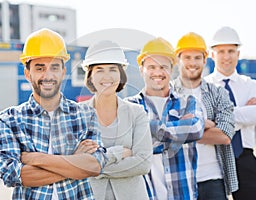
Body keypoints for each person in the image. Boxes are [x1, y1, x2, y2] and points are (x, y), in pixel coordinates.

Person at [0, 28, 107, 200]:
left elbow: (95, 166)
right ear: (27, 73)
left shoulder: (86, 115)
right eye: (40, 68)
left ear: (63, 72)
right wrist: (75, 161)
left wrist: (36, 159)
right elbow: (11, 175)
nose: (48, 76)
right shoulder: (9, 119)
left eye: (54, 67)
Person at [125, 37, 205, 200]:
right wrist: (177, 135)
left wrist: (145, 131)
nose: (158, 73)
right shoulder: (128, 107)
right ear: (141, 69)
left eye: (163, 67)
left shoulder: (188, 102)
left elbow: (195, 130)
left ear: (171, 70)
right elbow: (125, 149)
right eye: (151, 67)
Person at [80, 40, 153, 200]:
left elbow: (143, 162)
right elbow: (74, 162)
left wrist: (95, 167)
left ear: (121, 74)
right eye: (99, 70)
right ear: (90, 76)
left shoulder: (137, 113)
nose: (107, 76)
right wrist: (118, 153)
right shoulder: (77, 114)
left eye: (113, 69)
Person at [172, 32, 238, 200]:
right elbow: (164, 133)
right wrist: (206, 124)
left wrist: (184, 129)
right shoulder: (167, 93)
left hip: (213, 179)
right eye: (187, 57)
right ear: (178, 60)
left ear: (204, 60)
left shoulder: (218, 93)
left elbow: (225, 136)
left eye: (197, 58)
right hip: (178, 178)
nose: (192, 63)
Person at [205, 26, 256, 200]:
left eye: (231, 51)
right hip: (213, 159)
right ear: (212, 55)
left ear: (238, 54)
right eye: (221, 51)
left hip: (244, 158)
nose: (226, 56)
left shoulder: (250, 85)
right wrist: (244, 113)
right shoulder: (204, 87)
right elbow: (203, 120)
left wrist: (221, 116)